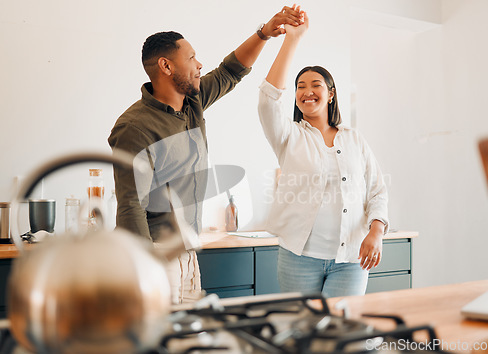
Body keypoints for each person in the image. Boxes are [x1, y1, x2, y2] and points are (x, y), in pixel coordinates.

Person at [108, 6, 304, 304]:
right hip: (157, 255)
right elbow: (131, 204)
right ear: (166, 66)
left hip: (187, 253)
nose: (200, 64)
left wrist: (265, 33)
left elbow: (231, 71)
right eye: (191, 58)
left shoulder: (191, 103)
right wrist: (145, 268)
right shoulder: (135, 127)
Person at [258, 7, 389, 298]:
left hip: (351, 261)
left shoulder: (354, 139)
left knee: (342, 334)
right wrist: (291, 40)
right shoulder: (289, 135)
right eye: (300, 87)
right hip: (299, 258)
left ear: (331, 94)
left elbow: (378, 191)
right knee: (302, 335)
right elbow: (268, 101)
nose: (307, 91)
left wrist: (376, 231)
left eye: (316, 85)